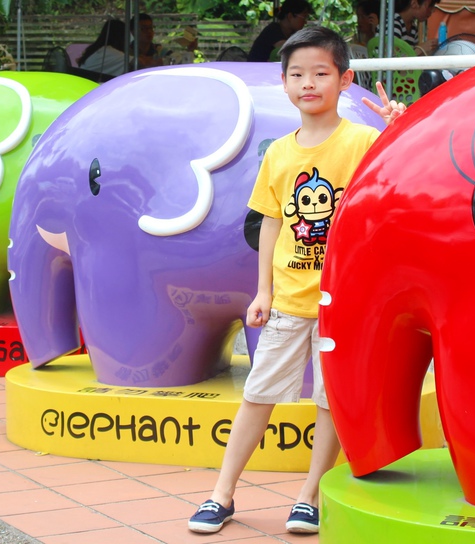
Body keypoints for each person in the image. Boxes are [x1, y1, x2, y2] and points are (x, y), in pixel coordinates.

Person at [186, 26, 405, 536]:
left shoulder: (364, 142)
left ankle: (308, 497)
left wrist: (399, 128)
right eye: (298, 74)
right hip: (287, 301)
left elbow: (398, 181)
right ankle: (222, 493)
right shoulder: (279, 153)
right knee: (257, 394)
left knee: (329, 401)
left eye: (321, 73)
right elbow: (270, 221)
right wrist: (262, 290)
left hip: (343, 304)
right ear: (284, 83)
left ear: (345, 80)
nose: (309, 83)